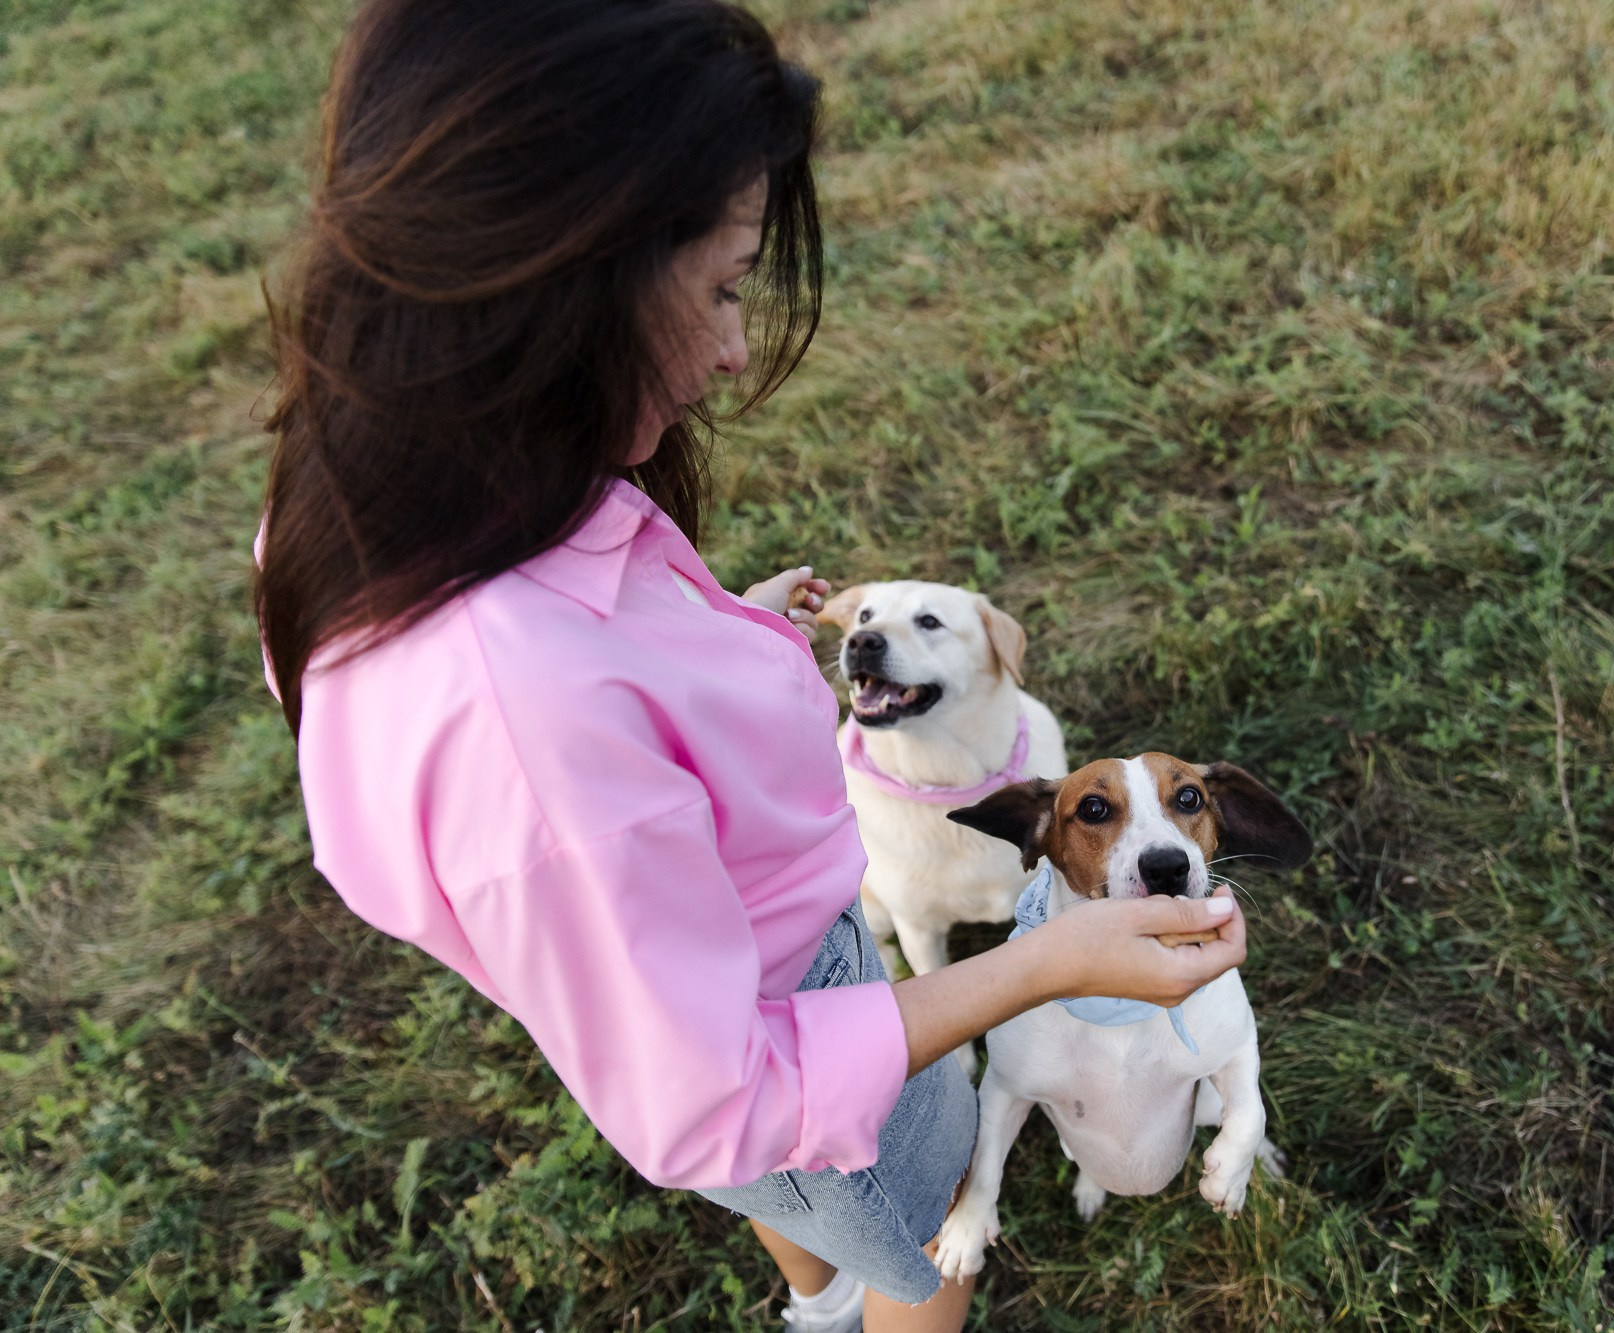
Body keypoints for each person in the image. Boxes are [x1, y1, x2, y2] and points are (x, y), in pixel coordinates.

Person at [254, 2, 1248, 1329]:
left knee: (799, 1206)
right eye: (723, 286)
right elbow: (727, 1098)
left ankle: (814, 1302)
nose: (735, 349)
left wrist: (714, 633)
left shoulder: (393, 500)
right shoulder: (528, 715)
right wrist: (1049, 967)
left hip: (667, 985)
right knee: (925, 1230)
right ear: (555, 274)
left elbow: (589, 748)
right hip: (790, 1030)